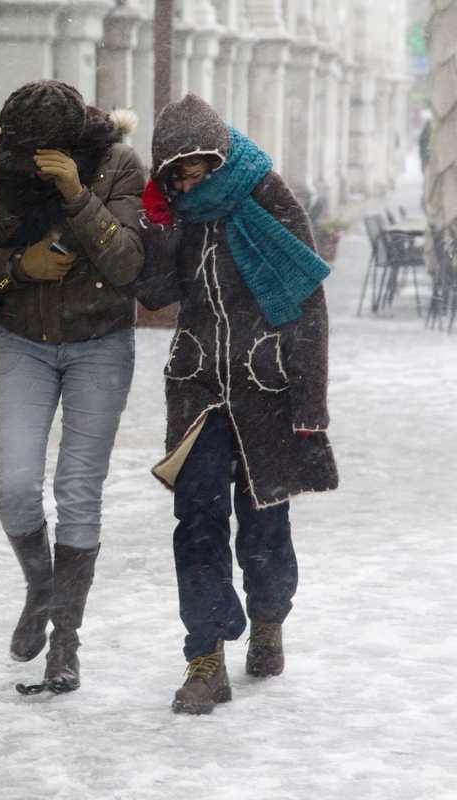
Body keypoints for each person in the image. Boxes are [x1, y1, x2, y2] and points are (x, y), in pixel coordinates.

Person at [136, 94, 338, 715]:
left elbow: (306, 300)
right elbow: (155, 295)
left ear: (220, 159)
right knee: (196, 523)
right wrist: (159, 232)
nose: (190, 182)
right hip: (197, 387)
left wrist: (310, 400)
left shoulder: (267, 197)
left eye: (198, 169)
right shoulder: (177, 216)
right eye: (178, 174)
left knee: (264, 525)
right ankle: (205, 658)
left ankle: (269, 617)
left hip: (266, 390)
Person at [0, 81, 146, 695]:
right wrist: (20, 267)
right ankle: (42, 588)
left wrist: (76, 193)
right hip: (24, 342)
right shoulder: (0, 165)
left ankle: (65, 643)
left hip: (100, 343)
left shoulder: (118, 161)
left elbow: (127, 264)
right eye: (24, 148)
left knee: (77, 489)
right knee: (15, 486)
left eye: (47, 150)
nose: (31, 159)